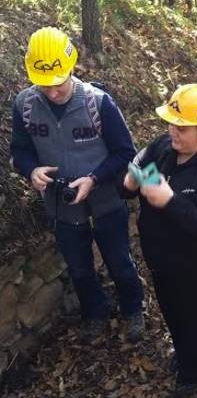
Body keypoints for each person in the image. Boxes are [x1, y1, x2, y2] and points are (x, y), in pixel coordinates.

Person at [10, 27, 144, 342]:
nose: (52, 93)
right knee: (79, 268)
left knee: (119, 260)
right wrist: (31, 171)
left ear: (71, 68)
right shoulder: (25, 105)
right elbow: (19, 150)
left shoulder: (98, 103)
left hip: (106, 200)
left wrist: (94, 178)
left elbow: (126, 153)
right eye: (44, 86)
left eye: (58, 84)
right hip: (61, 204)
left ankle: (133, 308)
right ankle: (95, 314)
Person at [123, 84, 197, 395]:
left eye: (182, 127)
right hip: (163, 261)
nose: (173, 132)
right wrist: (133, 180)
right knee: (173, 312)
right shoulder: (164, 148)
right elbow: (133, 182)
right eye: (171, 123)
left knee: (196, 319)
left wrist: (170, 201)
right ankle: (188, 356)